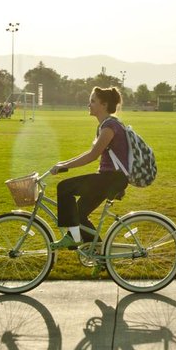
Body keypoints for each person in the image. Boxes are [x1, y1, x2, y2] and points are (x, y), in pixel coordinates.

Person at [49, 87, 130, 249]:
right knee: (78, 215)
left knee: (64, 187)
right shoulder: (106, 125)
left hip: (111, 179)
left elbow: (93, 155)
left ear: (104, 105)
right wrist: (63, 163)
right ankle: (99, 253)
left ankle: (74, 238)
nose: (89, 104)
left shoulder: (109, 127)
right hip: (109, 179)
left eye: (93, 101)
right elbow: (90, 152)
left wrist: (65, 166)